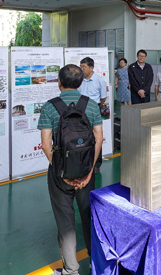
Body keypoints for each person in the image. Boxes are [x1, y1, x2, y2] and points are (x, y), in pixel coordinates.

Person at [38, 64, 103, 275]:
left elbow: (46, 145)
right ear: (81, 82)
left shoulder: (49, 107)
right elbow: (99, 139)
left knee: (65, 221)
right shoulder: (91, 105)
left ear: (59, 81)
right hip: (86, 172)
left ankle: (71, 270)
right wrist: (89, 171)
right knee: (88, 215)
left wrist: (61, 172)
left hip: (60, 175)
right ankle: (96, 262)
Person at [78, 57, 107, 174]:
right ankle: (83, 163)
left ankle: (96, 164)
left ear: (91, 68)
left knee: (96, 138)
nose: (81, 69)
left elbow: (103, 97)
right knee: (82, 138)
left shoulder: (99, 81)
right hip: (80, 112)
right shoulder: (79, 80)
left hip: (93, 112)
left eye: (84, 67)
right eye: (80, 67)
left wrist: (95, 107)